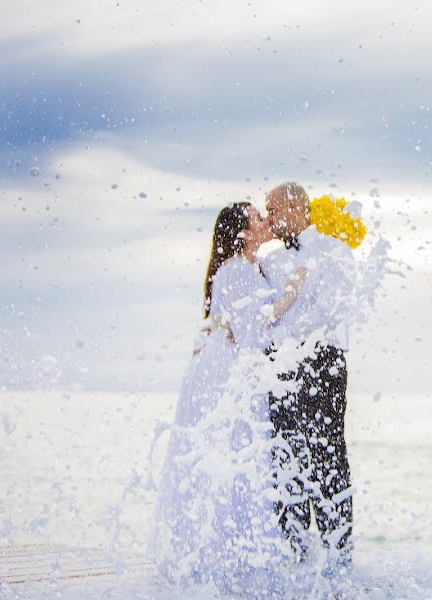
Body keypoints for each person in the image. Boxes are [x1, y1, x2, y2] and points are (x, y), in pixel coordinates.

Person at [150, 202, 306, 589]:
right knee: (231, 450)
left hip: (230, 367)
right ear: (242, 231)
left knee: (237, 454)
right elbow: (254, 328)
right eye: (257, 218)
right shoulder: (237, 270)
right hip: (224, 374)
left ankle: (231, 551)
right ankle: (224, 555)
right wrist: (292, 291)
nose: (265, 222)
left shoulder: (249, 267)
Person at [258, 182, 356, 568]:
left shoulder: (336, 251)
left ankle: (338, 558)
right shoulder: (270, 262)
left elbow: (326, 314)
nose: (269, 219)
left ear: (296, 208)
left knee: (328, 455)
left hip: (322, 363)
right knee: (286, 457)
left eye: (273, 210)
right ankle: (294, 558)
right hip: (279, 370)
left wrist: (276, 339)